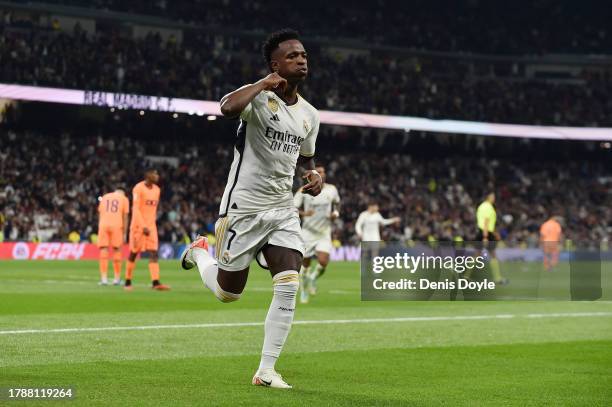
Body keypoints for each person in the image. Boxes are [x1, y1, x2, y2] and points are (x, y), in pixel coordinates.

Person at [179, 29, 322, 389]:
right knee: (229, 292)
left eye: (303, 55)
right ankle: (200, 253)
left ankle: (266, 370)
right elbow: (226, 107)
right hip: (243, 207)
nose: (301, 59)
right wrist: (263, 84)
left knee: (289, 283)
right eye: (292, 56)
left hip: (282, 209)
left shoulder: (310, 115)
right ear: (275, 65)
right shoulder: (258, 100)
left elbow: (307, 158)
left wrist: (315, 175)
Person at [294, 164, 340, 303]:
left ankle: (313, 279)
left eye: (323, 172)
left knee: (323, 261)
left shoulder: (332, 190)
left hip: (324, 232)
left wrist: (335, 213)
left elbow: (337, 203)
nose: (322, 174)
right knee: (305, 266)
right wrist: (303, 213)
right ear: (311, 176)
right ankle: (304, 291)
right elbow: (293, 207)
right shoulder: (304, 190)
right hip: (308, 232)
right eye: (319, 172)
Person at [125, 169, 170, 291]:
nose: (157, 176)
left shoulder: (157, 190)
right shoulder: (138, 188)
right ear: (147, 175)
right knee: (134, 253)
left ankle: (156, 283)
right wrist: (142, 225)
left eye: (157, 173)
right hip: (138, 226)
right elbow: (136, 208)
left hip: (151, 227)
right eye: (154, 173)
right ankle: (127, 282)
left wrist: (149, 225)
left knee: (154, 252)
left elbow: (152, 210)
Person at [97, 188, 129, 285]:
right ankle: (117, 278)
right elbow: (125, 217)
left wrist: (100, 225)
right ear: (122, 193)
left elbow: (100, 213)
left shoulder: (105, 196)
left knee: (103, 249)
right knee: (117, 250)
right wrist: (125, 233)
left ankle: (104, 279)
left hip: (103, 225)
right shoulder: (124, 199)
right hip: (117, 225)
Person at [475, 192, 507, 285]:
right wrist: (486, 236)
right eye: (493, 196)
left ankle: (465, 276)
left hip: (481, 231)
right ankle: (497, 278)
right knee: (493, 255)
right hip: (486, 233)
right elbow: (486, 221)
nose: (494, 198)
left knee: (476, 255)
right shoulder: (488, 207)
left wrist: (494, 233)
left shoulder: (481, 206)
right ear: (488, 197)